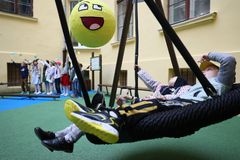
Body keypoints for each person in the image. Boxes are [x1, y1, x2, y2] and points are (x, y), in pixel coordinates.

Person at [35, 52, 236, 151]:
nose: (202, 71)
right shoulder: (188, 87)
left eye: (207, 69)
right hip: (166, 103)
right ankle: (63, 136)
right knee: (95, 119)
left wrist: (209, 56)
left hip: (177, 107)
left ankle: (103, 119)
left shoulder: (218, 85)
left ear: (216, 73)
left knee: (110, 113)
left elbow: (228, 60)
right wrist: (139, 72)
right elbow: (156, 86)